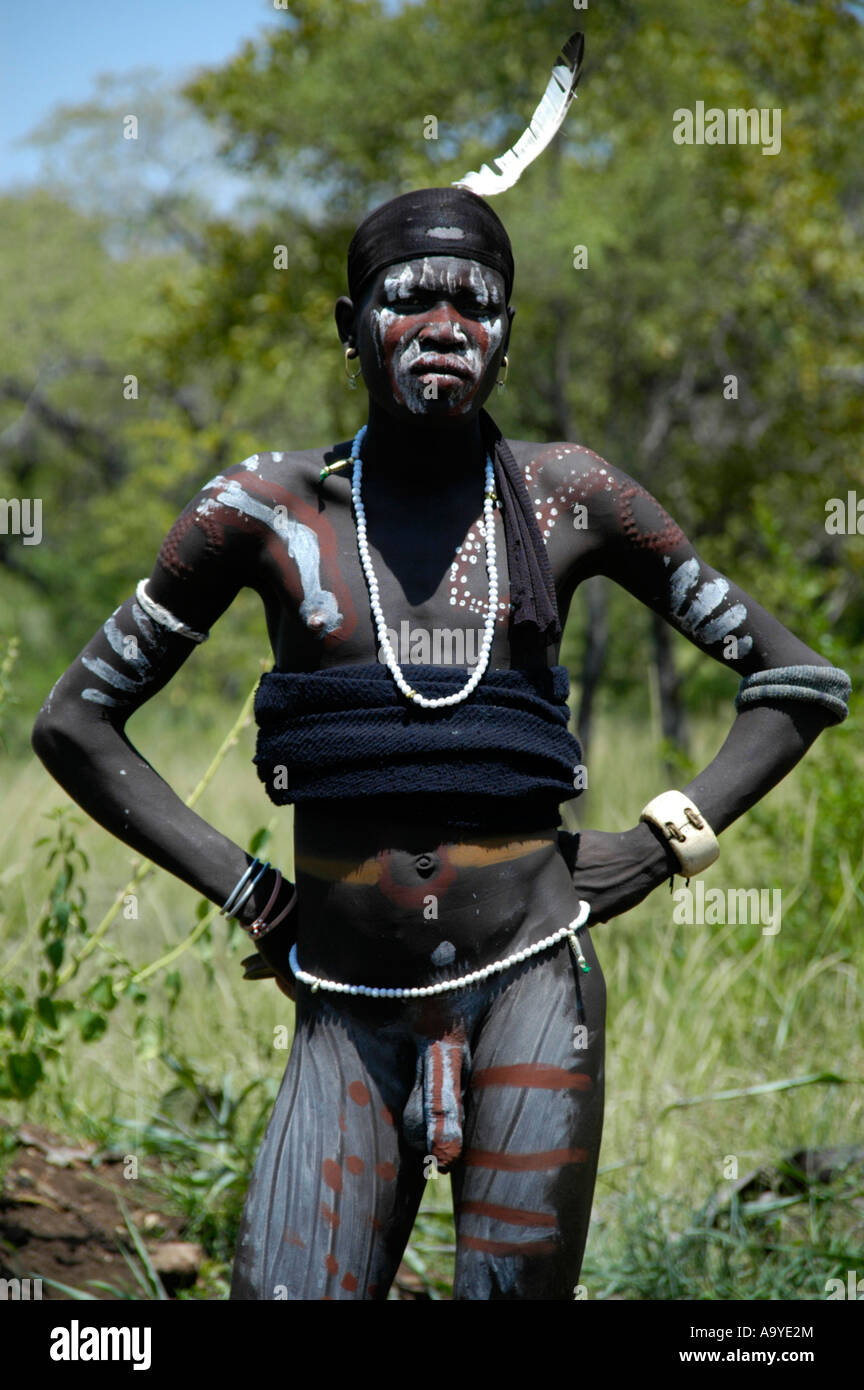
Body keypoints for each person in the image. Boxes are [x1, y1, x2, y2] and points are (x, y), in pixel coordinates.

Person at [32, 186, 850, 1301]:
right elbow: (75, 721)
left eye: (479, 303)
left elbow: (798, 679)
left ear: (508, 335)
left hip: (533, 987)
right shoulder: (266, 511)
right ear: (349, 325)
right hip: (346, 1001)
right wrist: (251, 893)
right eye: (412, 298)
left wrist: (666, 842)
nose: (447, 326)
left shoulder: (568, 498)